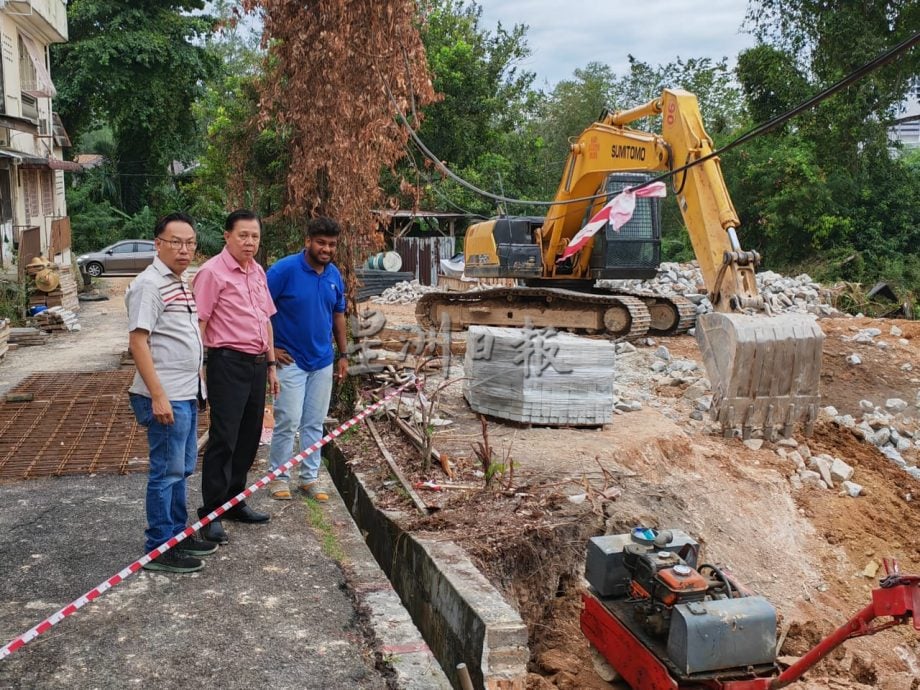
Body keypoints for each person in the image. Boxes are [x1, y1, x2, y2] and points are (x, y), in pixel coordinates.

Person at [126, 212, 218, 574]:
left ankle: (178, 535)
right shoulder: (149, 284)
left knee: (181, 469)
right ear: (158, 244)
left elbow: (188, 338)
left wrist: (200, 386)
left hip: (187, 391)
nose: (184, 249)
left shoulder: (181, 282)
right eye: (175, 242)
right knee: (166, 472)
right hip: (165, 394)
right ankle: (159, 547)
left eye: (190, 242)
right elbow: (138, 343)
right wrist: (158, 395)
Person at [193, 209, 280, 544]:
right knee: (224, 438)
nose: (250, 242)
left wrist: (272, 365)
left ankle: (234, 500)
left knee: (249, 436)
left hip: (257, 364)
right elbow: (199, 324)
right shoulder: (211, 273)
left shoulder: (256, 271)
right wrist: (198, 369)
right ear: (227, 235)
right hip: (227, 363)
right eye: (243, 235)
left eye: (255, 236)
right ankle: (211, 512)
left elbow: (266, 321)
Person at [266, 217, 348, 502]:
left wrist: (343, 354)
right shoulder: (283, 271)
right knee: (287, 420)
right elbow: (259, 309)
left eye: (332, 245)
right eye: (321, 243)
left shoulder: (334, 275)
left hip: (322, 360)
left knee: (314, 422)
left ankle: (309, 479)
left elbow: (339, 315)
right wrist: (270, 349)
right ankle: (279, 477)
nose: (326, 249)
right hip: (290, 360)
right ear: (308, 241)